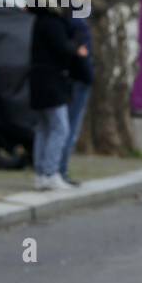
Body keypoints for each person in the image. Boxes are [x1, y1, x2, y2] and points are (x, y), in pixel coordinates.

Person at [29, 1, 90, 192]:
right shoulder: (53, 23)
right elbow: (63, 48)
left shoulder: (39, 21)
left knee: (44, 128)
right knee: (60, 128)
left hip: (39, 81)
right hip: (52, 83)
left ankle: (41, 173)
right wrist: (77, 49)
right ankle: (50, 172)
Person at [57, 15, 93, 187]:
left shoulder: (62, 20)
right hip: (78, 80)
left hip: (69, 78)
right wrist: (88, 76)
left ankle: (54, 170)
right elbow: (81, 53)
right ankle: (59, 170)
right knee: (68, 128)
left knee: (60, 128)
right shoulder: (77, 22)